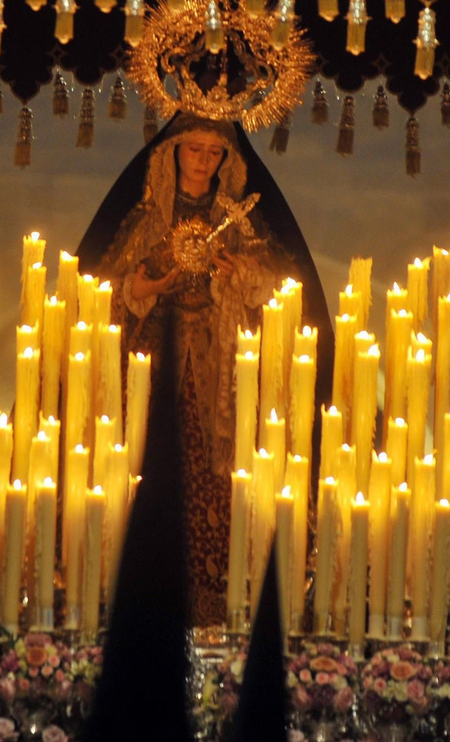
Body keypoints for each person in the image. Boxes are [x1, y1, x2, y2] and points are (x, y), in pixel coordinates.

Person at [79, 113, 331, 626]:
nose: (202, 161)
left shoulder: (239, 223)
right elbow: (103, 292)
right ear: (172, 151)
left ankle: (218, 605)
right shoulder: (147, 219)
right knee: (148, 474)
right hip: (153, 367)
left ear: (228, 161)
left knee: (217, 486)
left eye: (214, 153)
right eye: (194, 149)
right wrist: (142, 290)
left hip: (219, 372)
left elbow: (281, 291)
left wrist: (239, 278)